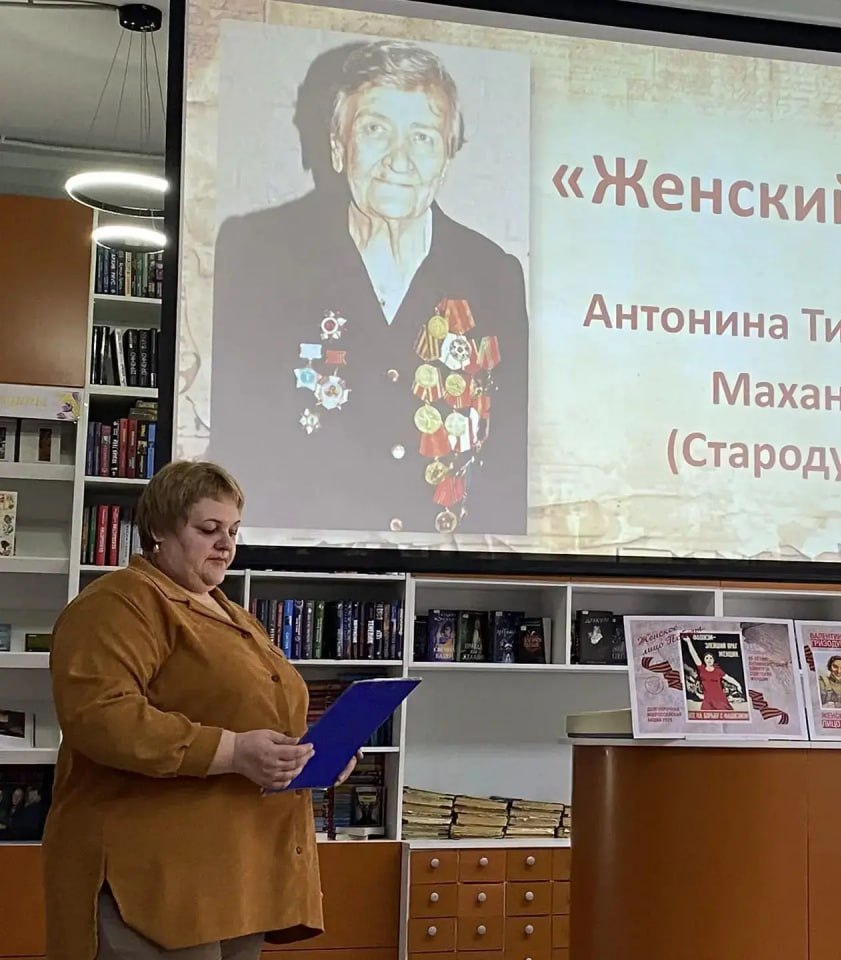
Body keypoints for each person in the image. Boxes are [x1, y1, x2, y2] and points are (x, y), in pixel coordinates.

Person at [210, 39, 529, 538]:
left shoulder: (493, 276)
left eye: (423, 136)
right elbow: (242, 439)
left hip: (443, 560)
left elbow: (508, 457)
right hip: (301, 560)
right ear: (339, 147)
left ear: (446, 158)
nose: (399, 160)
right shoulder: (262, 257)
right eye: (376, 129)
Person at [43, 460, 360, 960]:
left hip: (240, 876)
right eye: (208, 529)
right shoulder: (117, 603)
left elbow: (260, 716)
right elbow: (101, 717)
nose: (225, 544)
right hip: (152, 882)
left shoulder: (236, 615)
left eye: (233, 531)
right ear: (159, 530)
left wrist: (313, 754)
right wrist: (233, 752)